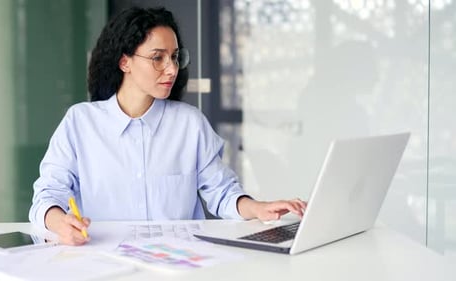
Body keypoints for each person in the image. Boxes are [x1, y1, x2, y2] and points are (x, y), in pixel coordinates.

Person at [29, 6, 307, 246]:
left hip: (180, 261)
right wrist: (58, 222)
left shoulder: (189, 123)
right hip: (105, 260)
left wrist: (258, 208)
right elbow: (48, 193)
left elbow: (222, 193)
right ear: (124, 61)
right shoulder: (80, 122)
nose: (172, 68)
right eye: (158, 58)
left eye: (175, 57)